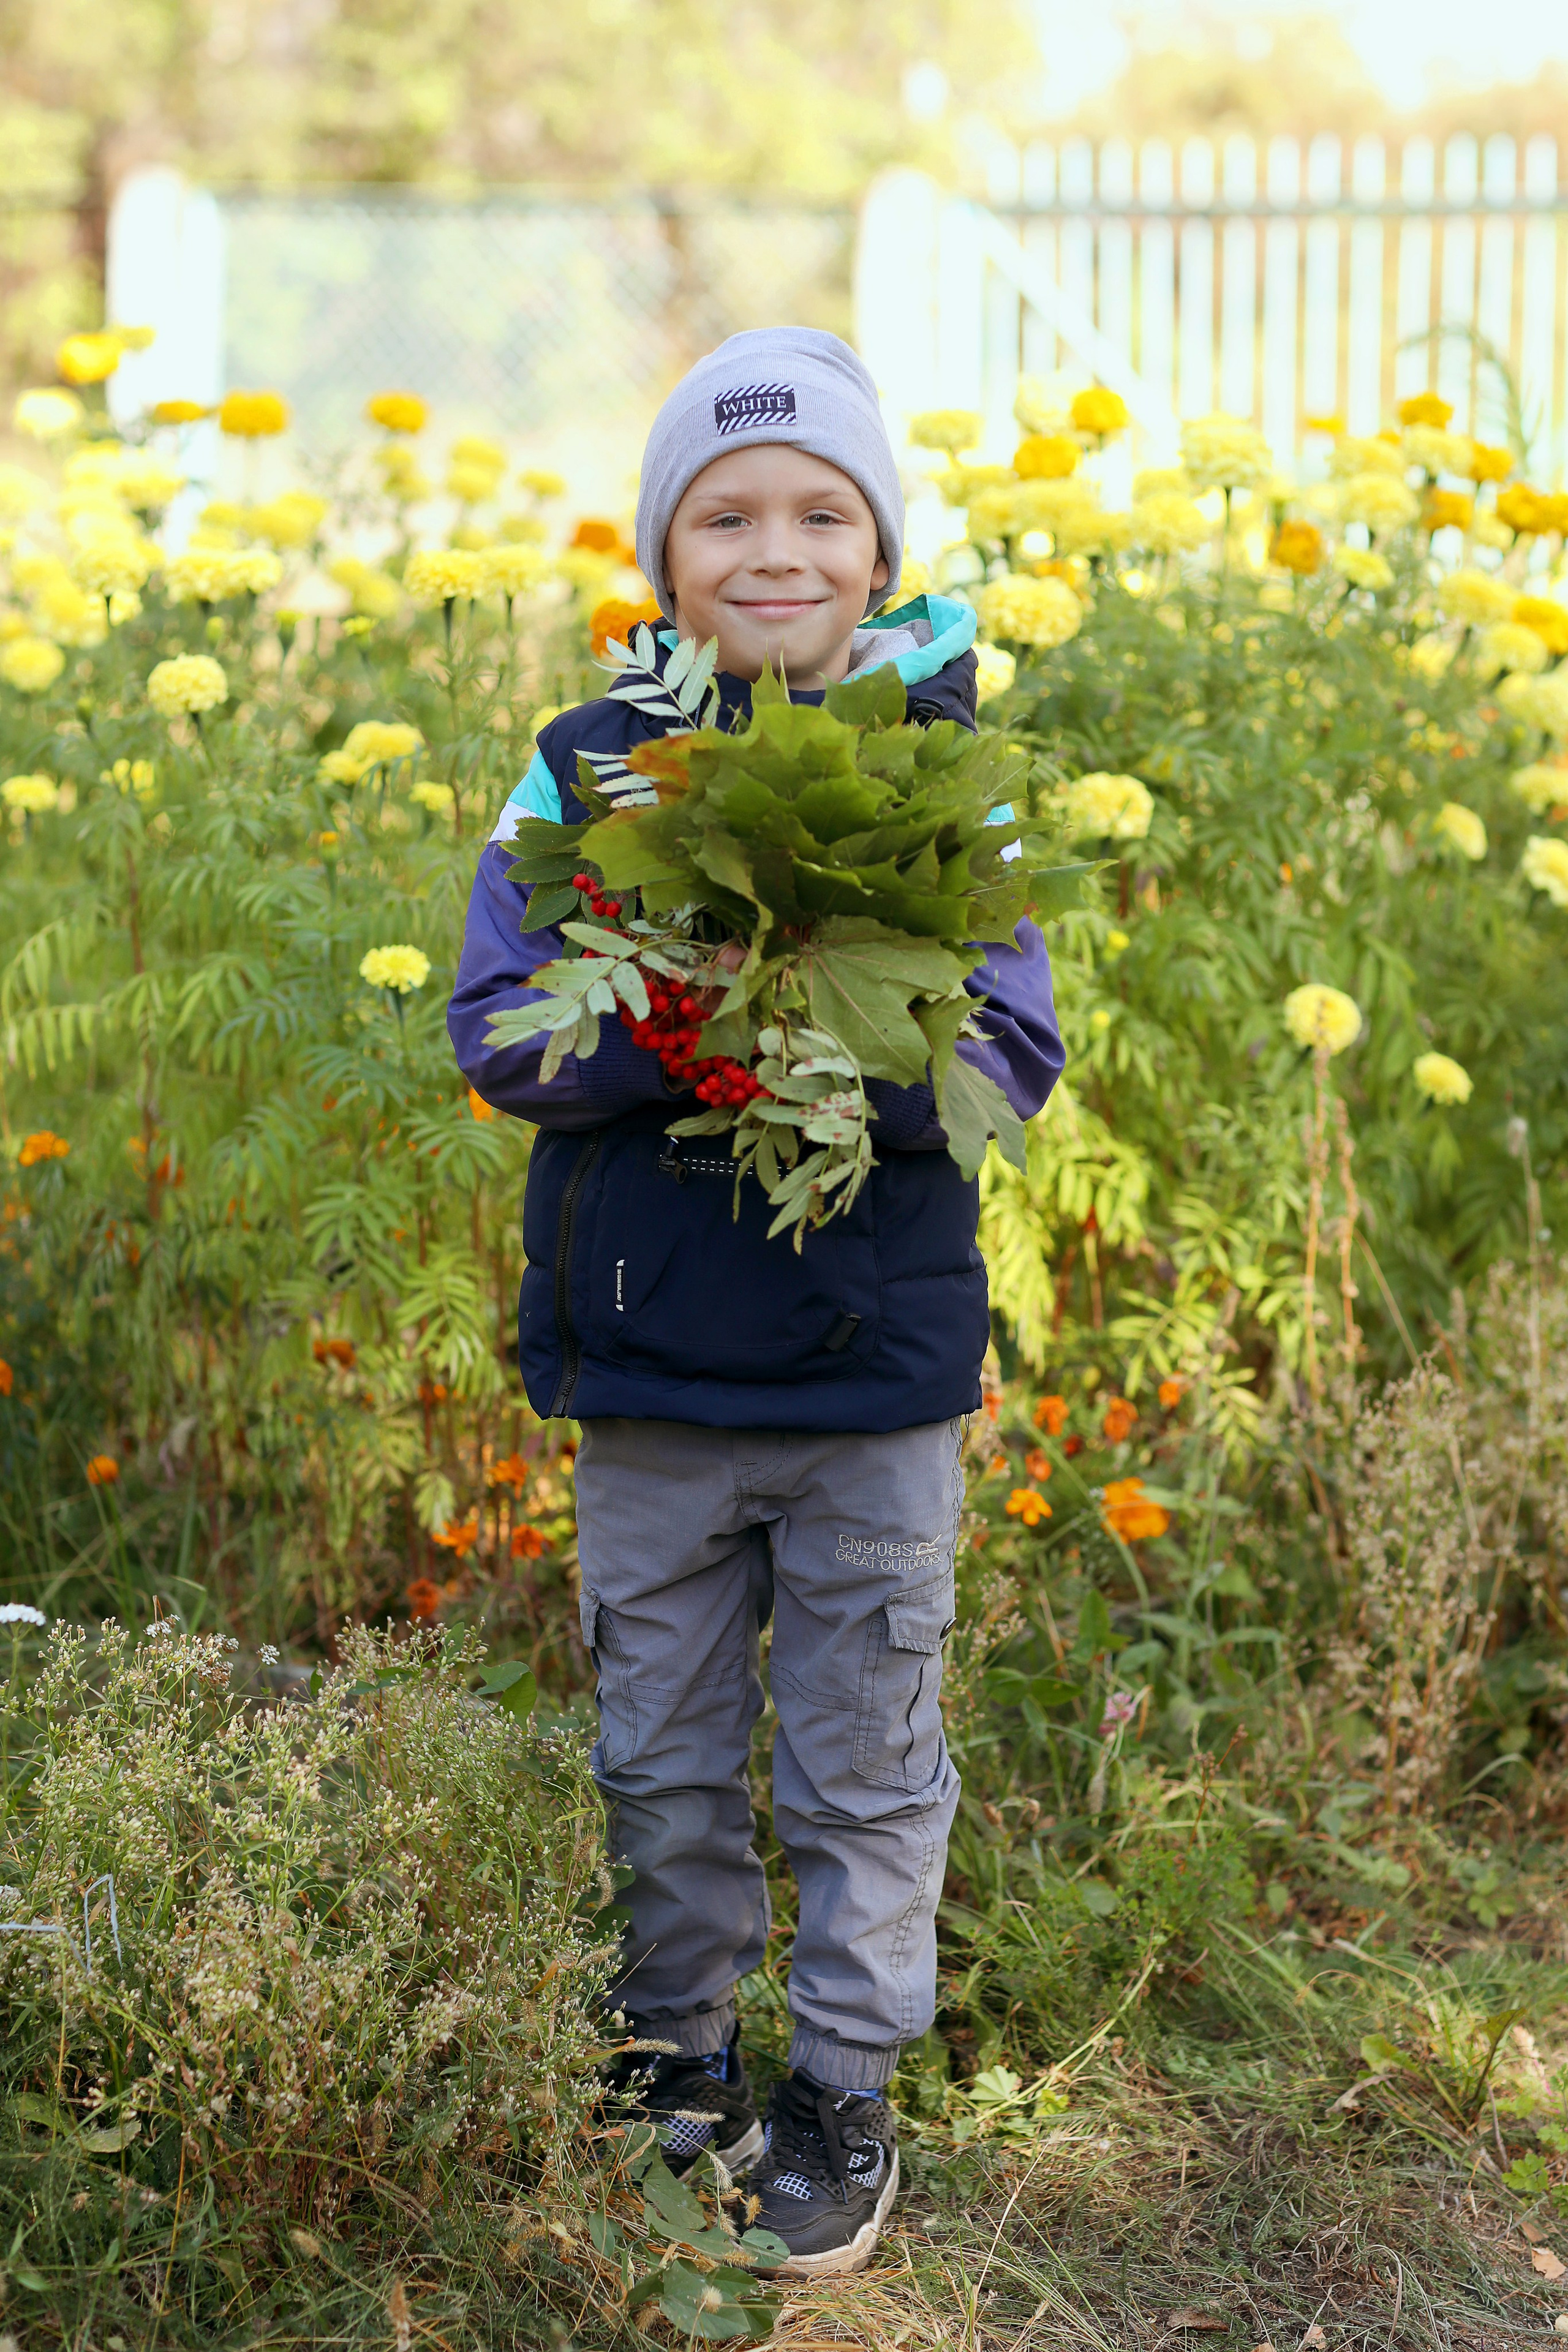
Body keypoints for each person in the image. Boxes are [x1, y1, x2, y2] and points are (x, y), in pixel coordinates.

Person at [448, 326, 1063, 2275]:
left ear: (882, 554)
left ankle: (846, 2086)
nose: (773, 546)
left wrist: (823, 1019)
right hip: (648, 1375)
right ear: (664, 553)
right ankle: (674, 2054)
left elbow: (1004, 1057)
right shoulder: (586, 768)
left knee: (866, 1753)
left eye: (821, 509)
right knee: (661, 1741)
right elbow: (497, 1034)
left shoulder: (944, 777)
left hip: (873, 1380)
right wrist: (686, 1023)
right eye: (724, 512)